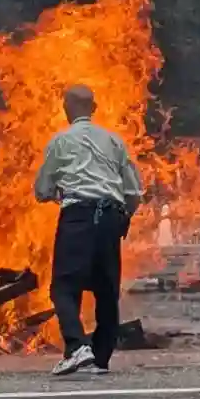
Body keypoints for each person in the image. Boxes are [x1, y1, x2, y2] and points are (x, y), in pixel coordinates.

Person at [34, 84, 143, 377]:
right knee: (106, 291)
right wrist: (124, 218)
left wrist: (55, 193)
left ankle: (76, 347)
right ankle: (100, 358)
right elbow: (134, 193)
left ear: (66, 108)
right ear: (93, 109)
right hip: (111, 217)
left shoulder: (60, 141)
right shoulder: (114, 141)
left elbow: (42, 190)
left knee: (64, 286)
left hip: (78, 216)